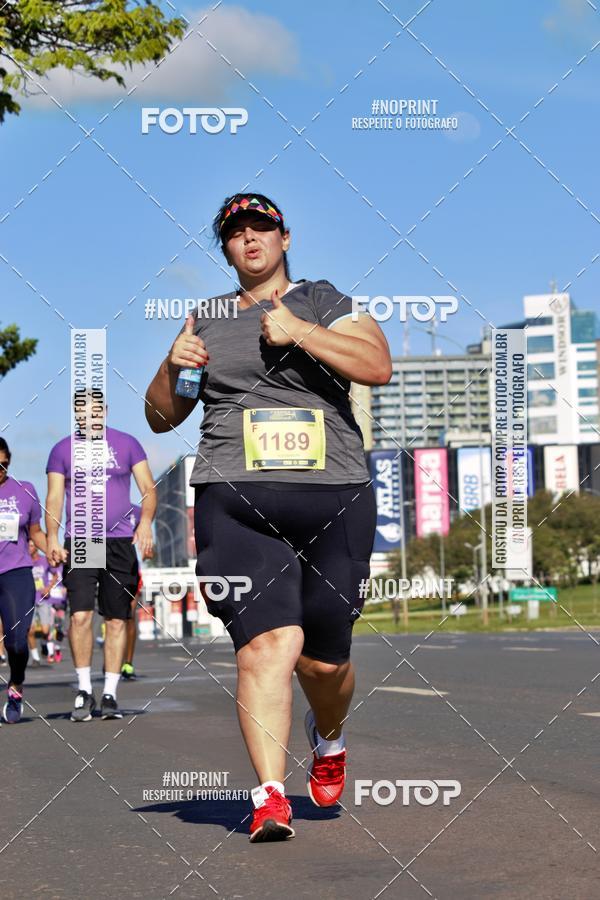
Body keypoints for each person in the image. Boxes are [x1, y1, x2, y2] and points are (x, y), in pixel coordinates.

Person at [145, 192, 392, 842]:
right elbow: (162, 415)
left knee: (324, 663)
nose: (249, 238)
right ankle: (270, 796)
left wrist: (301, 333)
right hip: (236, 496)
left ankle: (329, 735)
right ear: (225, 248)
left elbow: (378, 367)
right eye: (235, 232)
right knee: (266, 646)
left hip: (333, 493)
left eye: (262, 227)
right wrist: (175, 369)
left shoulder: (325, 300)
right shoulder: (203, 320)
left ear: (286, 237)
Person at [45, 391, 156, 721]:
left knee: (116, 619)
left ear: (105, 412)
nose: (89, 417)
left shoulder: (127, 443)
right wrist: (51, 536)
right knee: (79, 616)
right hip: (80, 540)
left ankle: (109, 693)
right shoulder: (62, 450)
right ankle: (83, 690)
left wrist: (146, 521)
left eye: (95, 411)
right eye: (82, 412)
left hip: (120, 541)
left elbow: (148, 488)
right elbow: (53, 497)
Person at [0, 438, 49, 723]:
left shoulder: (24, 491)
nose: (0, 470)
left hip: (15, 573)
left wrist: (51, 549)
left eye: (4, 464)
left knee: (18, 642)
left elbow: (36, 532)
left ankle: (16, 685)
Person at [27, 539, 59, 664]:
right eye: (28, 545)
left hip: (44, 599)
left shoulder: (44, 560)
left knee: (45, 630)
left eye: (31, 545)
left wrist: (48, 587)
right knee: (30, 631)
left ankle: (49, 645)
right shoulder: (25, 561)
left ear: (36, 547)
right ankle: (35, 657)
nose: (29, 548)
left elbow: (56, 574)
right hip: (29, 600)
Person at [121, 505, 143, 680]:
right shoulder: (98, 510)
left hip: (131, 568)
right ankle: (112, 657)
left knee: (129, 615)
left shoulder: (137, 511)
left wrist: (148, 548)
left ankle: (128, 663)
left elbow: (145, 536)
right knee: (112, 616)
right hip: (106, 566)